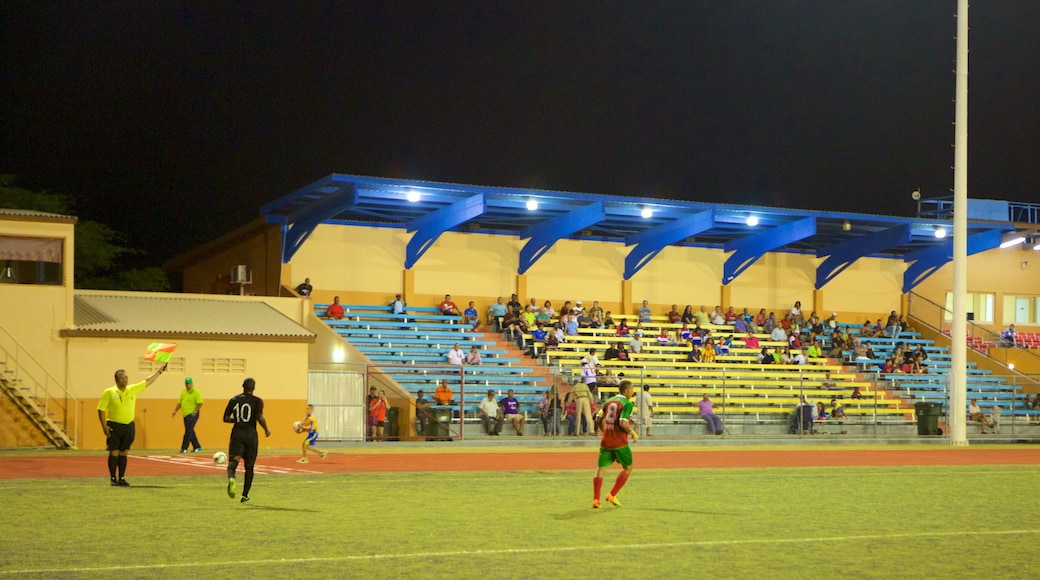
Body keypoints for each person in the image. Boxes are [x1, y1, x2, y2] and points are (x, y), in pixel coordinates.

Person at [98, 364, 167, 486]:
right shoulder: (109, 392)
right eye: (122, 377)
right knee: (114, 452)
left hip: (128, 426)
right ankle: (113, 478)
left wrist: (159, 371)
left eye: (126, 377)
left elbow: (147, 381)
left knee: (124, 452)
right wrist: (104, 426)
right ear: (116, 379)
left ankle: (122, 478)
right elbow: (101, 409)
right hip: (114, 425)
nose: (125, 379)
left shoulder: (132, 389)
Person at [592, 380, 639, 509]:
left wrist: (604, 431)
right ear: (625, 391)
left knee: (600, 469)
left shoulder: (608, 401)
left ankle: (596, 499)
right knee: (628, 468)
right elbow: (623, 423)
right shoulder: (627, 404)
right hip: (619, 442)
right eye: (631, 389)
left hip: (606, 441)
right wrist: (633, 432)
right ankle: (612, 494)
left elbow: (597, 418)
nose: (633, 391)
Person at [223, 377, 271, 503]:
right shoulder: (258, 401)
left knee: (233, 462)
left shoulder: (234, 400)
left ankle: (232, 479)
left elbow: (226, 418)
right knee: (249, 467)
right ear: (253, 388)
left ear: (242, 386)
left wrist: (237, 419)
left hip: (237, 433)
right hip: (251, 435)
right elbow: (259, 417)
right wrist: (266, 429)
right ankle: (244, 495)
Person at [171, 376, 203, 453]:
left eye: (189, 383)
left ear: (192, 384)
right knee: (190, 430)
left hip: (192, 414)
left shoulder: (196, 392)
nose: (187, 385)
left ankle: (184, 447)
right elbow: (180, 402)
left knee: (188, 431)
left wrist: (195, 411)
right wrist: (175, 410)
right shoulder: (183, 392)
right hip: (185, 414)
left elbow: (200, 403)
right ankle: (197, 447)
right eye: (186, 383)